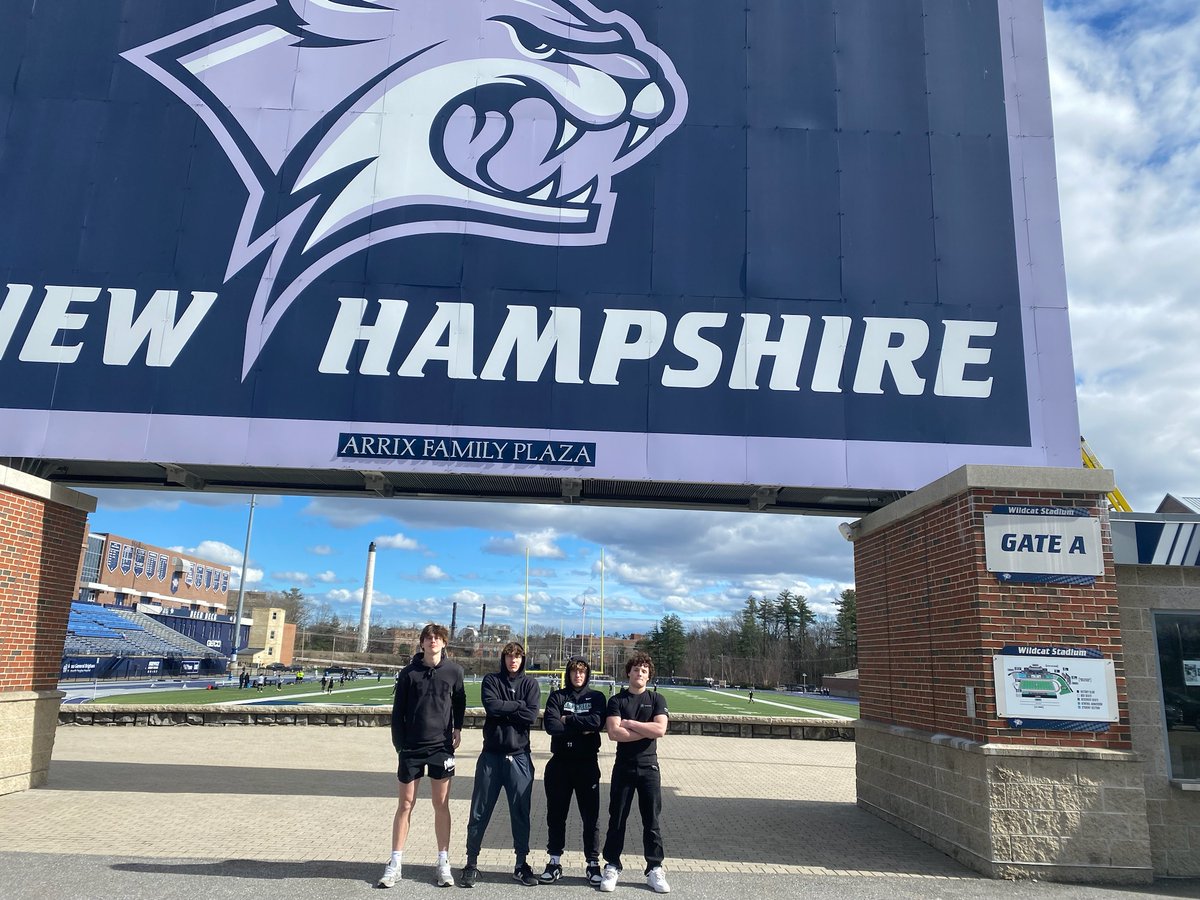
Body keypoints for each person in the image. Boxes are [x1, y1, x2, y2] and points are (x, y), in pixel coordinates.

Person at [379, 623, 466, 889]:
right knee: (405, 804)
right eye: (428, 638)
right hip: (412, 748)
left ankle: (443, 861)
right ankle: (395, 862)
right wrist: (399, 745)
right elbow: (398, 712)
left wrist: (458, 728)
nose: (433, 642)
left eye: (437, 638)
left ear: (444, 643)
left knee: (441, 804)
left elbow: (460, 701)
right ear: (422, 643)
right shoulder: (408, 673)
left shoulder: (454, 671)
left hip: (441, 748)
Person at [459, 641, 540, 888]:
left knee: (520, 813)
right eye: (509, 656)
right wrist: (517, 706)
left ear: (523, 659)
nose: (513, 661)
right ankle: (471, 863)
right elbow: (492, 707)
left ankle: (520, 864)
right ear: (503, 658)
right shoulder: (492, 680)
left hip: (519, 757)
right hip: (491, 757)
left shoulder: (530, 684)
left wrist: (508, 709)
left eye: (517, 657)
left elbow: (531, 715)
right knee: (479, 810)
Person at [599, 653, 670, 894]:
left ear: (649, 675)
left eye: (644, 670)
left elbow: (660, 729)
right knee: (617, 818)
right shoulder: (617, 700)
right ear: (628, 672)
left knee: (651, 820)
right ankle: (611, 865)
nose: (639, 673)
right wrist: (645, 730)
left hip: (649, 767)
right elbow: (613, 733)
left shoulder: (657, 699)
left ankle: (654, 868)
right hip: (624, 766)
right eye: (636, 669)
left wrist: (630, 724)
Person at [539, 656, 606, 885]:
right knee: (556, 815)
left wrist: (568, 720)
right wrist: (580, 726)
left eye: (582, 672)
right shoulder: (557, 696)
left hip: (587, 764)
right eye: (574, 672)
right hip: (560, 764)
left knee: (591, 817)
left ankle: (593, 863)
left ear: (587, 674)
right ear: (568, 674)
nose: (578, 675)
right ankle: (555, 861)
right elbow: (552, 726)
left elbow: (597, 722)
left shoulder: (596, 697)